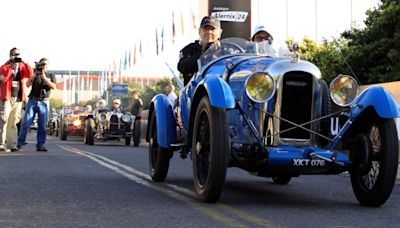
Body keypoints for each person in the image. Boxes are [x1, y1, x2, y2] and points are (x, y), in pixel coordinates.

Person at [18, 58, 56, 152]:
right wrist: (34, 75)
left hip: (44, 102)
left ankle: (40, 144)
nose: (43, 66)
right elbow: (27, 84)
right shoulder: (35, 74)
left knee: (42, 125)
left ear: (48, 65)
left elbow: (54, 87)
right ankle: (19, 143)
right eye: (42, 64)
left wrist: (44, 78)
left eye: (45, 64)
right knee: (26, 123)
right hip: (32, 101)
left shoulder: (50, 75)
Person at [0, 48, 33, 152]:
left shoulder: (22, 67)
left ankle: (12, 145)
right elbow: (3, 79)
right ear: (10, 55)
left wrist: (25, 62)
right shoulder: (4, 67)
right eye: (15, 55)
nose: (16, 56)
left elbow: (31, 75)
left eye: (18, 54)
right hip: (7, 97)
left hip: (18, 98)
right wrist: (11, 69)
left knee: (14, 121)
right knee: (4, 120)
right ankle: (2, 144)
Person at [178, 16, 222, 85]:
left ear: (219, 32)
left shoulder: (226, 51)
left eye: (212, 29)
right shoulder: (188, 49)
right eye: (205, 29)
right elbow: (183, 68)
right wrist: (204, 52)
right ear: (199, 31)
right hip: (194, 92)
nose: (209, 32)